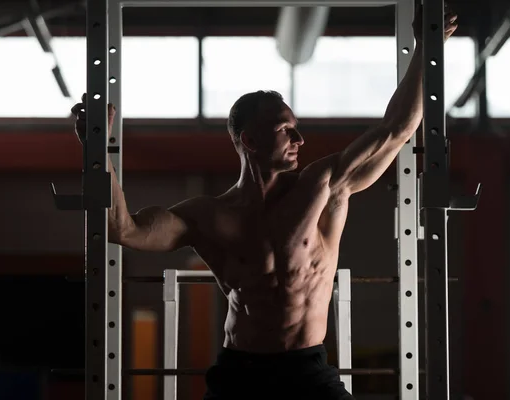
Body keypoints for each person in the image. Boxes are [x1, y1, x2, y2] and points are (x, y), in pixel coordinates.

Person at [71, 6, 457, 400]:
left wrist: (428, 48)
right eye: (285, 130)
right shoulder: (207, 215)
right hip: (241, 372)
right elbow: (123, 229)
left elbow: (395, 130)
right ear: (249, 142)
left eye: (297, 128)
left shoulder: (323, 187)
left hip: (307, 369)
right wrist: (97, 148)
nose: (299, 140)